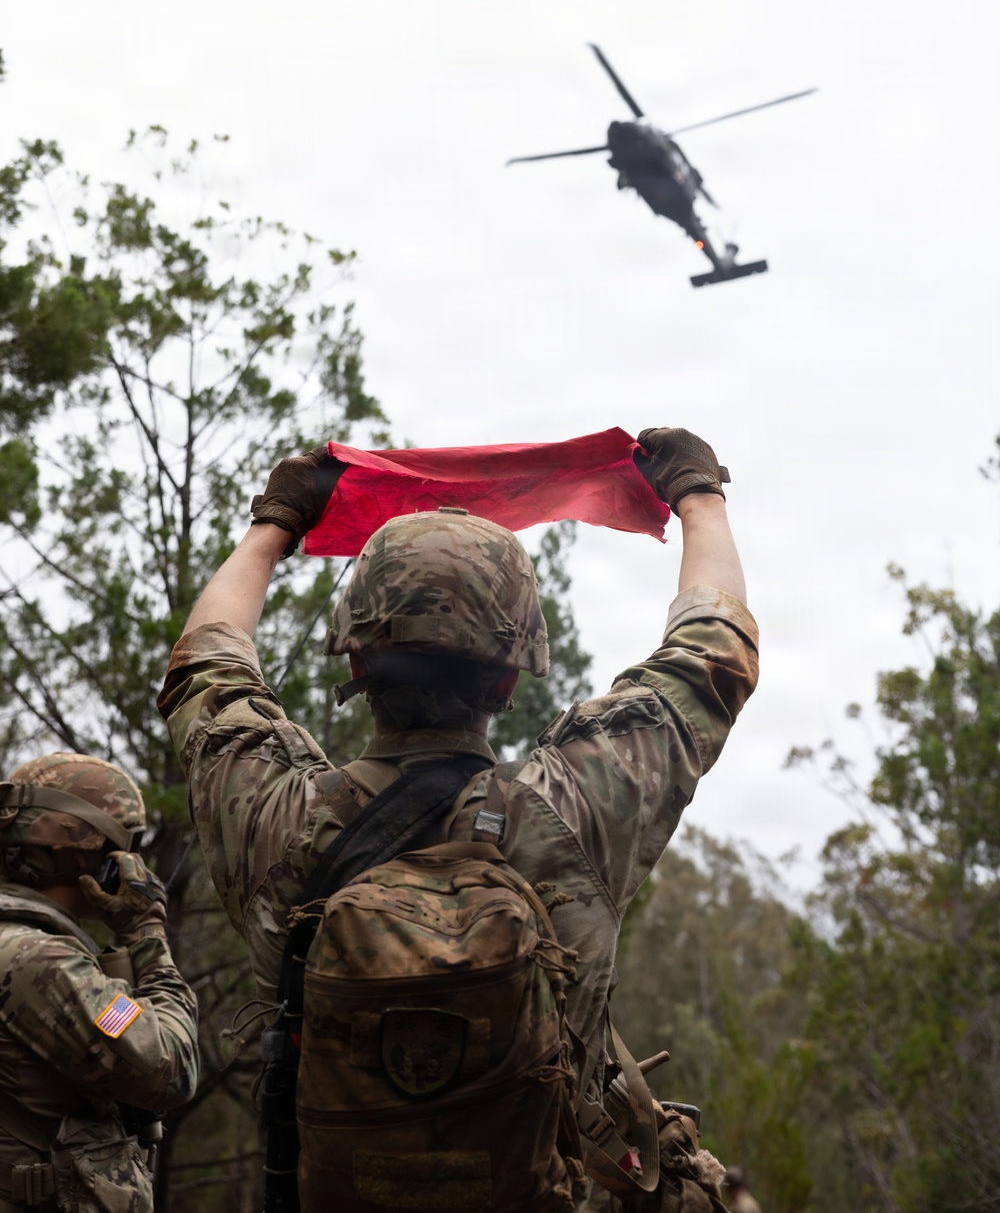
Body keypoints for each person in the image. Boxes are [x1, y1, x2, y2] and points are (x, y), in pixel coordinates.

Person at [157, 425, 758, 1210]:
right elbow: (713, 653)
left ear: (357, 662)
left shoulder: (277, 818)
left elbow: (205, 661)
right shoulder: (573, 809)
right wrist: (699, 497)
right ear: (510, 681)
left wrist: (274, 524)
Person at [0, 753, 199, 1213]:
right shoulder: (39, 960)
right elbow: (171, 1070)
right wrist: (148, 935)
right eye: (126, 845)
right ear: (83, 848)